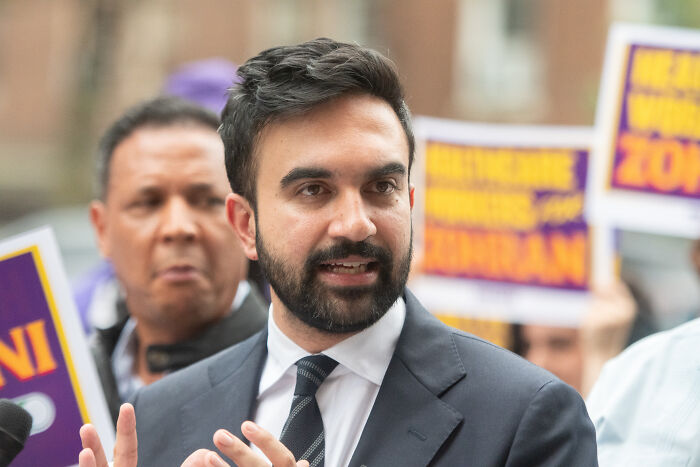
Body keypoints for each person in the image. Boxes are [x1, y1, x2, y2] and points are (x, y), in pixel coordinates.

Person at [79, 38, 597, 467]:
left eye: (382, 187)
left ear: (410, 202)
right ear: (245, 223)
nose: (356, 223)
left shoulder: (527, 417)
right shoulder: (158, 415)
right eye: (313, 190)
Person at [87, 96, 268, 423]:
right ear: (102, 229)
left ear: (247, 221)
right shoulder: (67, 390)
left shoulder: (296, 383)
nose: (179, 228)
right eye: (148, 202)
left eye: (207, 200)